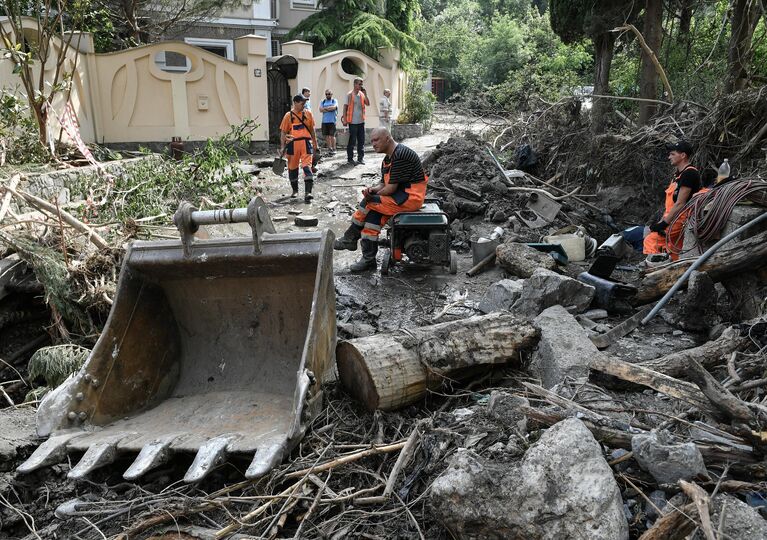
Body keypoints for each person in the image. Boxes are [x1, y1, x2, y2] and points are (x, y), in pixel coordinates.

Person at [333, 127, 428, 272]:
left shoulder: (400, 155)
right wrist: (373, 189)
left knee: (369, 202)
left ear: (388, 138)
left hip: (410, 198)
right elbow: (383, 184)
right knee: (372, 219)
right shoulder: (387, 159)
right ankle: (368, 261)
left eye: (376, 140)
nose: (373, 144)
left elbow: (390, 189)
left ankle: (349, 239)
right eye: (371, 141)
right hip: (398, 197)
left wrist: (373, 197)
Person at [642, 140, 701, 261]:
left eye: (672, 154)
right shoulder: (678, 175)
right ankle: (673, 268)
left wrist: (663, 224)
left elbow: (680, 203)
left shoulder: (689, 174)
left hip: (681, 219)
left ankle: (653, 271)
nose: (669, 157)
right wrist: (661, 221)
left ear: (683, 155)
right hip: (672, 217)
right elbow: (671, 205)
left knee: (651, 240)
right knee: (672, 247)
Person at [280, 94, 318, 203]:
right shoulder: (288, 115)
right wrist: (282, 147)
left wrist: (315, 145)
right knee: (292, 168)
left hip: (306, 143)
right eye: (302, 103)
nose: (304, 105)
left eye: (305, 103)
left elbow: (312, 130)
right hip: (292, 144)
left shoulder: (308, 114)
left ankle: (308, 193)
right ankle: (295, 190)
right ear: (295, 103)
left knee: (307, 167)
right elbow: (283, 132)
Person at [342, 78, 370, 165]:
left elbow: (368, 103)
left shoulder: (362, 94)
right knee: (352, 141)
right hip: (353, 122)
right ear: (354, 84)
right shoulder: (349, 95)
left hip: (361, 121)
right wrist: (345, 120)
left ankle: (360, 159)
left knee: (361, 140)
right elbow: (345, 107)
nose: (361, 86)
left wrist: (366, 94)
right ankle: (350, 159)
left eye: (361, 84)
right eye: (359, 84)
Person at [319, 89, 338, 155]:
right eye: (326, 94)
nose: (327, 95)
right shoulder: (323, 101)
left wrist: (325, 109)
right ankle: (330, 149)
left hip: (332, 121)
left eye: (329, 94)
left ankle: (334, 148)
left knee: (332, 136)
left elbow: (334, 108)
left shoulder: (334, 100)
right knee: (326, 136)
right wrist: (329, 108)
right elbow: (321, 109)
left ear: (332, 94)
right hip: (324, 121)